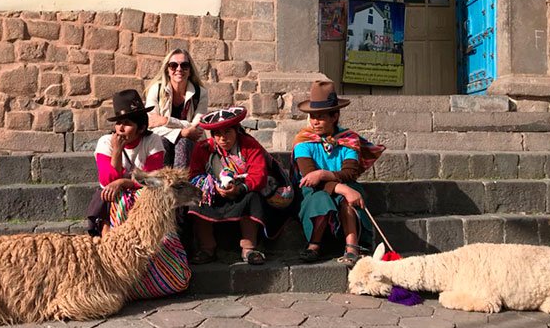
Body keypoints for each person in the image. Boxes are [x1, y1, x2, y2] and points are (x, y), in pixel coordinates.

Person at [85, 89, 191, 298]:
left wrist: (124, 181)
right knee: (113, 195)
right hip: (113, 202)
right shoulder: (106, 143)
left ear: (141, 127)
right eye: (118, 123)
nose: (120, 129)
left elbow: (152, 180)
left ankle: (154, 271)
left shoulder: (153, 142)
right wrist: (117, 151)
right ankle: (113, 252)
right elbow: (107, 180)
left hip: (144, 200)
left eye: (127, 124)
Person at [292, 81, 384, 268]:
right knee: (321, 198)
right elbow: (310, 178)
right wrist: (341, 187)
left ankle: (352, 246)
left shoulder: (348, 140)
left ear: (335, 116)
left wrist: (324, 174)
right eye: (313, 117)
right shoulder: (303, 141)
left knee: (348, 200)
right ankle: (314, 245)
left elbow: (349, 172)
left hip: (345, 185)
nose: (315, 122)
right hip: (313, 190)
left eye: (321, 117)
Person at [187, 107, 294, 266]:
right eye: (218, 134)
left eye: (227, 132)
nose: (223, 138)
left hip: (242, 191)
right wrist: (213, 188)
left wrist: (239, 189)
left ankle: (249, 248)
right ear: (213, 135)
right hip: (215, 193)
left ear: (236, 131)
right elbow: (194, 175)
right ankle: (207, 248)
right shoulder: (203, 149)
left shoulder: (249, 146)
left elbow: (258, 175)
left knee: (253, 197)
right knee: (197, 199)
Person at [145, 48, 208, 168]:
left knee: (184, 143)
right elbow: (150, 126)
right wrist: (182, 132)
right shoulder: (156, 90)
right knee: (161, 141)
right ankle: (161, 179)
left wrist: (165, 121)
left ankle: (181, 180)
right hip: (163, 140)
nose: (179, 69)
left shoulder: (200, 93)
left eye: (184, 65)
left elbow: (196, 129)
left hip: (190, 144)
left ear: (190, 70)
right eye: (173, 65)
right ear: (167, 70)